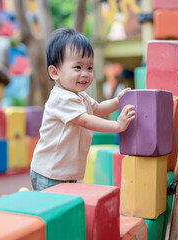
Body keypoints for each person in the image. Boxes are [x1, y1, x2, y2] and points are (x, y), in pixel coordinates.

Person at [30, 28, 135, 191]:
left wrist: (117, 101)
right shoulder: (61, 98)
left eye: (89, 68)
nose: (85, 74)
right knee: (54, 211)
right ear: (54, 72)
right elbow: (85, 120)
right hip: (50, 173)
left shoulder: (80, 96)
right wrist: (117, 126)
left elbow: (98, 108)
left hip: (66, 172)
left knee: (66, 209)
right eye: (78, 67)